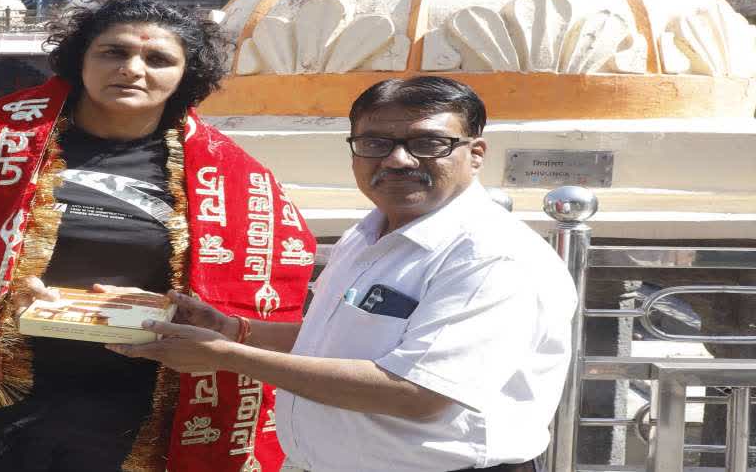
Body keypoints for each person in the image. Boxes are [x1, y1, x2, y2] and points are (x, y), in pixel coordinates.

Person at [0, 0, 318, 472]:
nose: (133, 69)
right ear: (81, 60)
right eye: (113, 52)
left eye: (158, 59)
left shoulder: (231, 179)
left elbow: (254, 285)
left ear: (185, 75)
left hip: (132, 410)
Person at [112, 77, 578, 472]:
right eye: (375, 143)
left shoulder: (491, 257)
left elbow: (418, 393)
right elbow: (334, 342)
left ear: (475, 154)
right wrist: (235, 329)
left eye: (428, 143)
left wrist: (227, 355)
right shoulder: (371, 234)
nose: (397, 160)